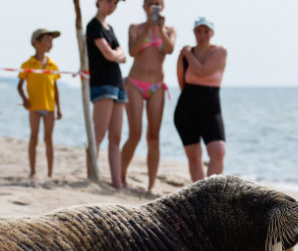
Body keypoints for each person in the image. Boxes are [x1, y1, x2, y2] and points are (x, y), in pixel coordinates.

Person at [121, 0, 176, 194]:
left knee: (154, 136)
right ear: (144, 7)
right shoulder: (135, 28)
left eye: (157, 3)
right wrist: (149, 29)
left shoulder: (169, 30)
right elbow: (133, 51)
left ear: (163, 7)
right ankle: (121, 175)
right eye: (149, 3)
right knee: (134, 133)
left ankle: (151, 184)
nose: (154, 6)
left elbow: (169, 50)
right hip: (135, 83)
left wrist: (159, 29)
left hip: (157, 86)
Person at [173, 17, 227, 182]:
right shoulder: (184, 56)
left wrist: (188, 53)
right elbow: (182, 82)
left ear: (211, 33)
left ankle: (212, 193)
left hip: (211, 108)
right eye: (198, 31)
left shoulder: (219, 51)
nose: (202, 35)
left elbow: (202, 71)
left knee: (218, 151)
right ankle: (200, 197)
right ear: (194, 32)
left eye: (206, 31)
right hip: (186, 108)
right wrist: (187, 54)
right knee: (195, 155)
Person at [86, 0, 127, 189]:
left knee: (116, 137)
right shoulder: (93, 26)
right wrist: (116, 54)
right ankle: (92, 176)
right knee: (98, 134)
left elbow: (122, 54)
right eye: (109, 1)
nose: (112, 5)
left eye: (116, 3)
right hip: (103, 83)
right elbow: (109, 54)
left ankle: (116, 183)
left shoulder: (108, 27)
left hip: (117, 83)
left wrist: (116, 54)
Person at [17, 29, 63, 178]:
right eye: (47, 40)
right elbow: (19, 86)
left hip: (49, 107)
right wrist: (25, 99)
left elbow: (55, 89)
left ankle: (50, 173)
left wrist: (59, 109)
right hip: (34, 107)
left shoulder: (52, 65)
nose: (51, 44)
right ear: (36, 43)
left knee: (48, 139)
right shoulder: (28, 64)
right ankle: (32, 171)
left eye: (52, 41)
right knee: (33, 137)